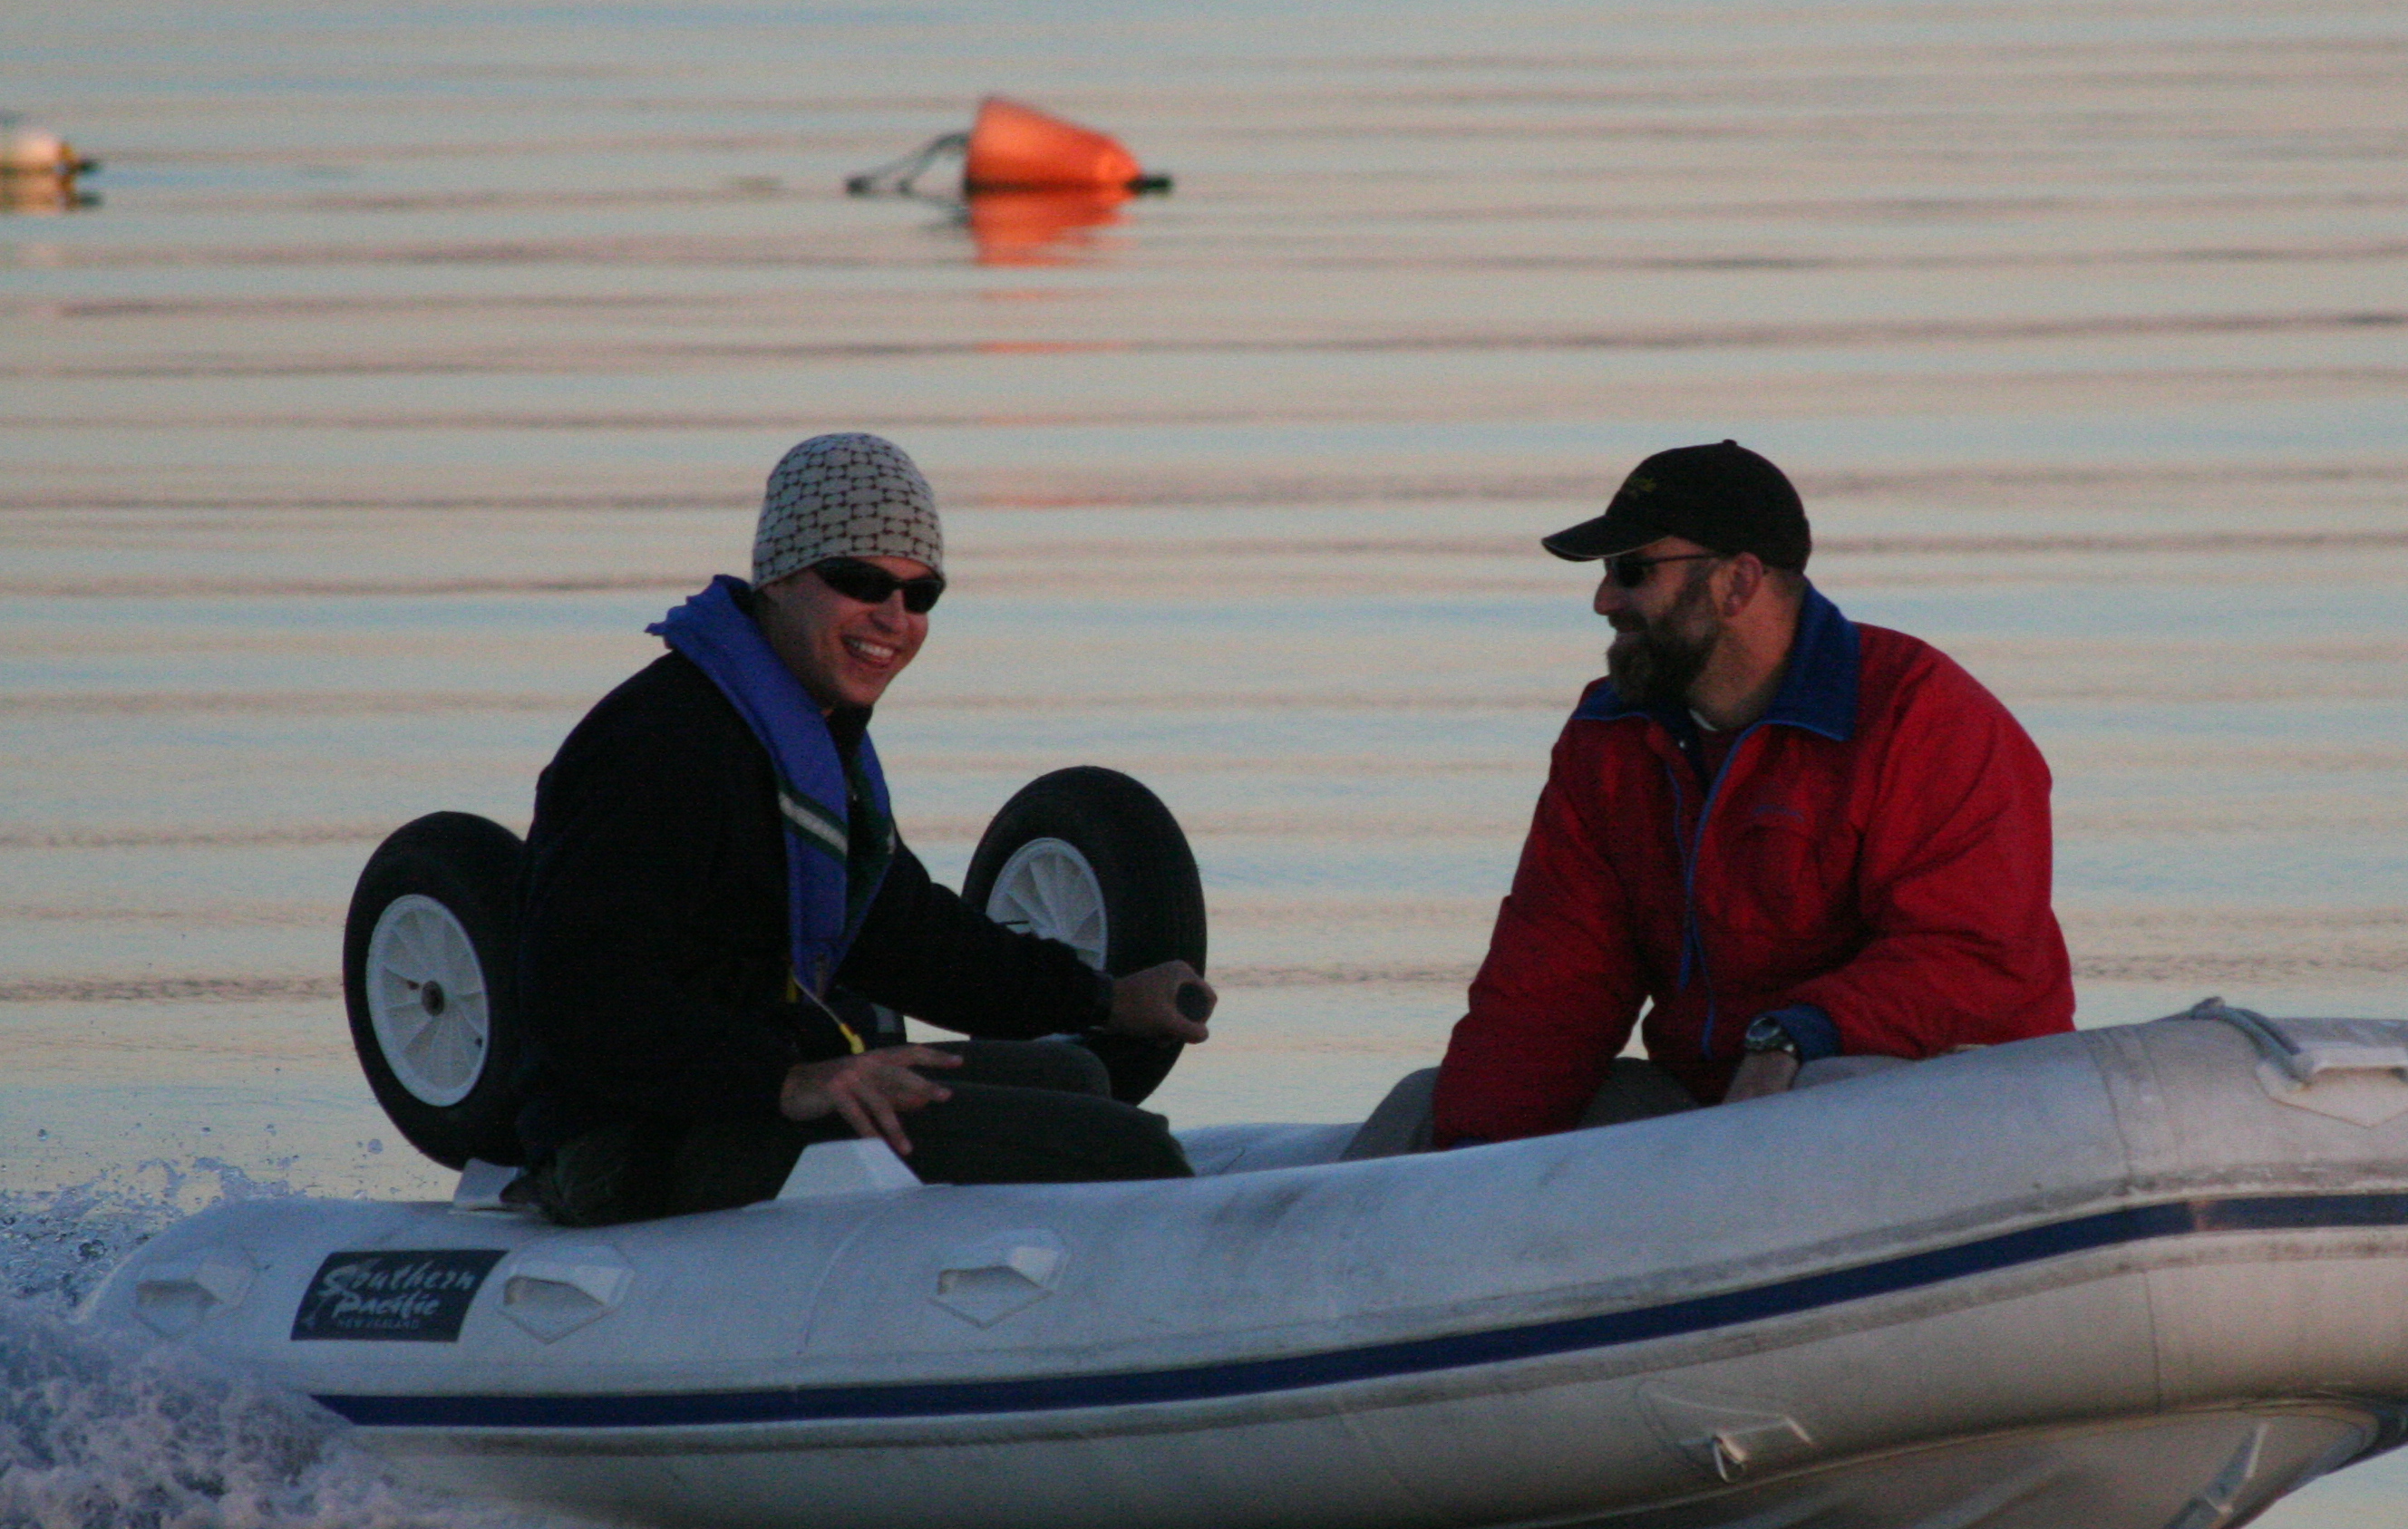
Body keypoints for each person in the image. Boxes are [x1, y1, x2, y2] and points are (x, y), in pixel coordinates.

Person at [511, 432, 1212, 1224]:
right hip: (633, 1139)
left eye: (920, 595)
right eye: (859, 580)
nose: (893, 617)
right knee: (1125, 1153)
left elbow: (905, 935)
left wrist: (1105, 998)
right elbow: (575, 992)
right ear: (779, 577)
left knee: (1080, 1080)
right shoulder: (663, 743)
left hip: (757, 1081)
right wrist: (790, 1080)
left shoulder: (804, 737)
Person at [1361, 440, 2073, 1155]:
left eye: (1631, 570)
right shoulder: (1608, 735)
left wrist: (1791, 1037)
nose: (1604, 600)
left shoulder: (1924, 717)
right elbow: (1551, 988)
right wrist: (1463, 1159)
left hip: (1953, 1117)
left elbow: (1975, 960)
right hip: (1720, 1113)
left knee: (1821, 1086)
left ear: (1737, 582)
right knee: (1425, 1105)